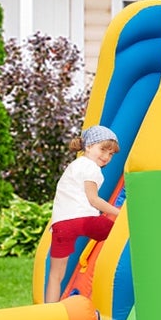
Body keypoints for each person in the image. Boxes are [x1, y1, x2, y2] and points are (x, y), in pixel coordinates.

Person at [47, 125, 121, 299]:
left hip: (61, 224)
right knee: (120, 232)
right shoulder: (90, 167)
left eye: (111, 154)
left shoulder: (75, 165)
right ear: (88, 146)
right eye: (103, 150)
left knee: (56, 275)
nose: (106, 156)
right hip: (83, 220)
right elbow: (93, 199)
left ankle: (48, 314)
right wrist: (121, 214)